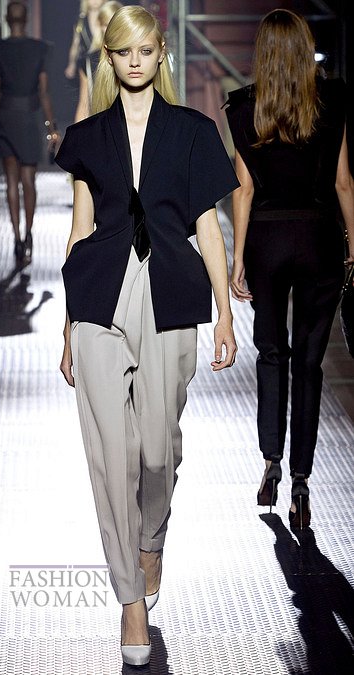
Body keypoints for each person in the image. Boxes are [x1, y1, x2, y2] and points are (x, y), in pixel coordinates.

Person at [55, 5, 239, 666]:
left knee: (158, 451)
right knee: (112, 455)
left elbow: (208, 224)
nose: (134, 61)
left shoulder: (192, 131)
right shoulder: (86, 137)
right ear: (109, 58)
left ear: (161, 53)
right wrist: (68, 326)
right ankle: (130, 601)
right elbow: (80, 230)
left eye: (145, 50)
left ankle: (150, 540)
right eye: (123, 51)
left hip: (169, 293)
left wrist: (225, 310)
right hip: (100, 295)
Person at [225, 9, 354, 530]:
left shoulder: (244, 109)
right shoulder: (333, 103)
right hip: (320, 237)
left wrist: (238, 258)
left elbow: (243, 188)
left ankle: (271, 462)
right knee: (310, 363)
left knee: (272, 354)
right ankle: (302, 479)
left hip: (268, 241)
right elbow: (343, 182)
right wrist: (353, 246)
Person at [0, 1, 58, 263]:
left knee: (11, 182)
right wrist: (52, 127)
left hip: (5, 119)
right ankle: (28, 233)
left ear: (6, 18)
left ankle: (16, 237)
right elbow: (44, 92)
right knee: (29, 181)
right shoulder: (40, 49)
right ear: (26, 19)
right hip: (29, 119)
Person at [74, 1, 122, 122]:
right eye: (106, 24)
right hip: (101, 125)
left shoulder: (134, 58)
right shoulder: (89, 62)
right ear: (100, 26)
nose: (110, 29)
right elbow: (84, 105)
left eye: (114, 24)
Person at [64, 0, 105, 80]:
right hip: (87, 63)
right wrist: (71, 64)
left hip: (105, 61)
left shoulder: (108, 17)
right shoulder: (81, 20)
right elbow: (75, 43)